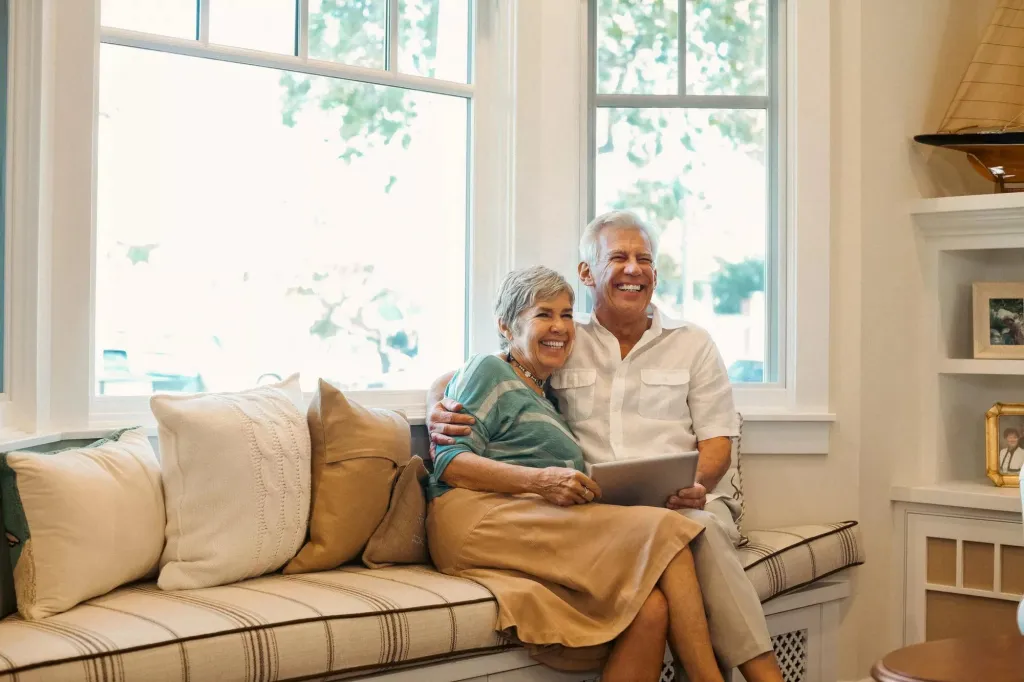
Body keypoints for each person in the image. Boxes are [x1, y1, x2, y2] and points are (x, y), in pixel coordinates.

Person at [428, 211, 784, 682]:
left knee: (690, 536)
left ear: (655, 274)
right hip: (594, 509)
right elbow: (489, 367)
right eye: (618, 257)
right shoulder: (567, 339)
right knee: (668, 545)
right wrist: (439, 404)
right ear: (587, 272)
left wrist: (695, 486)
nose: (633, 269)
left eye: (644, 259)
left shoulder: (692, 343)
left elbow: (717, 442)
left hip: (677, 501)